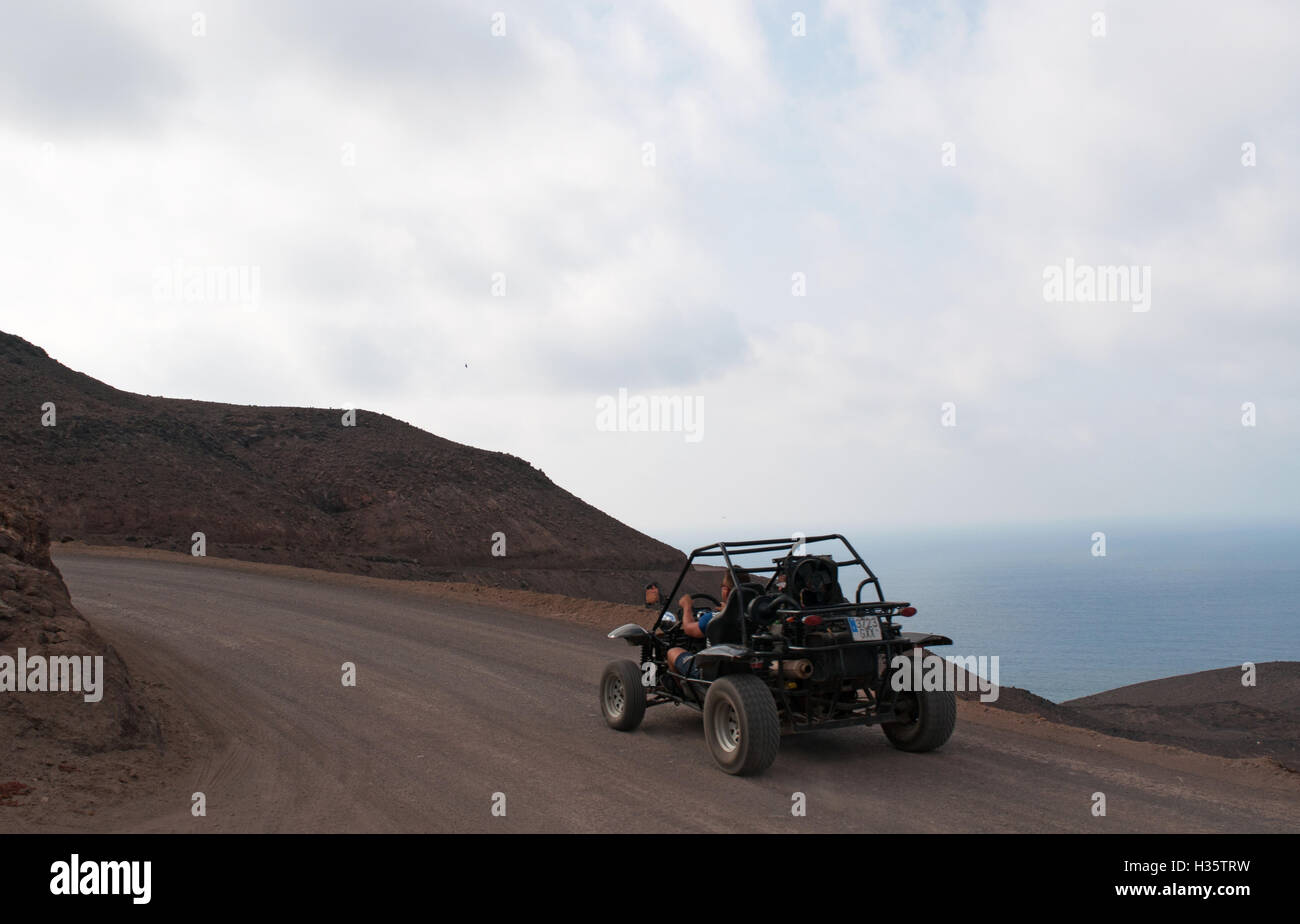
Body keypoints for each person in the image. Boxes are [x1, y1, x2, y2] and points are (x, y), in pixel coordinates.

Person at [666, 569, 746, 681]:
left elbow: (688, 629)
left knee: (672, 652)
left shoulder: (714, 617)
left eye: (722, 586)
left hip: (713, 671)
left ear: (726, 591)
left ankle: (686, 690)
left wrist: (687, 606)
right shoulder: (754, 616)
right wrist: (728, 608)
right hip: (744, 666)